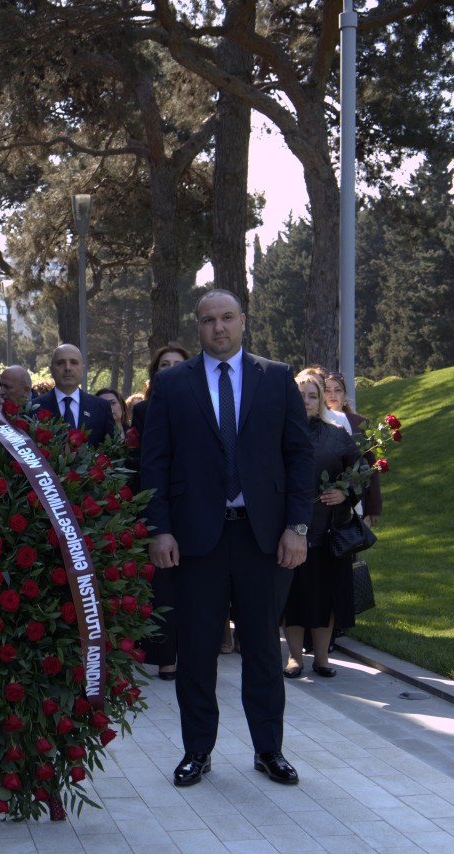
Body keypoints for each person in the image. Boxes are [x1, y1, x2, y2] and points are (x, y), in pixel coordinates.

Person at [141, 289, 312, 789]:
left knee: (262, 649)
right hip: (196, 541)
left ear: (243, 322)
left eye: (227, 318)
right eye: (208, 320)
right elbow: (156, 463)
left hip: (263, 539)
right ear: (198, 326)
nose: (219, 328)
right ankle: (197, 751)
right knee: (196, 652)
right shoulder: (172, 385)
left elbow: (299, 459)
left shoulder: (276, 378)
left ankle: (269, 750)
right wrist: (160, 528)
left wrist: (297, 527)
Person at [282, 374, 361, 679]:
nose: (306, 401)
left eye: (312, 395)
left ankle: (323, 658)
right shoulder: (279, 433)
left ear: (321, 400)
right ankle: (294, 657)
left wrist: (345, 491)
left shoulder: (337, 434)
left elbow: (360, 469)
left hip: (328, 531)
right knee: (294, 596)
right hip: (289, 529)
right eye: (300, 395)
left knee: (325, 596)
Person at [131, 344, 191, 677]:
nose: (169, 369)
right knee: (164, 584)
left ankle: (195, 654)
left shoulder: (205, 403)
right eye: (163, 364)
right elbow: (149, 461)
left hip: (198, 505)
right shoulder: (144, 411)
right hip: (162, 504)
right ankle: (167, 657)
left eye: (176, 364)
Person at [324, 372, 382, 526]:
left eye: (338, 390)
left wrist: (374, 505)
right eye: (327, 390)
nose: (332, 395)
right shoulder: (314, 423)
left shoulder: (360, 424)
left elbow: (371, 467)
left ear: (344, 397)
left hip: (354, 501)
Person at [32, 344, 115, 446]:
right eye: (61, 363)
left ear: (83, 369)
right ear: (51, 370)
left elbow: (110, 451)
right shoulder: (33, 408)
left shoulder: (101, 408)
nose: (67, 368)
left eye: (74, 362)